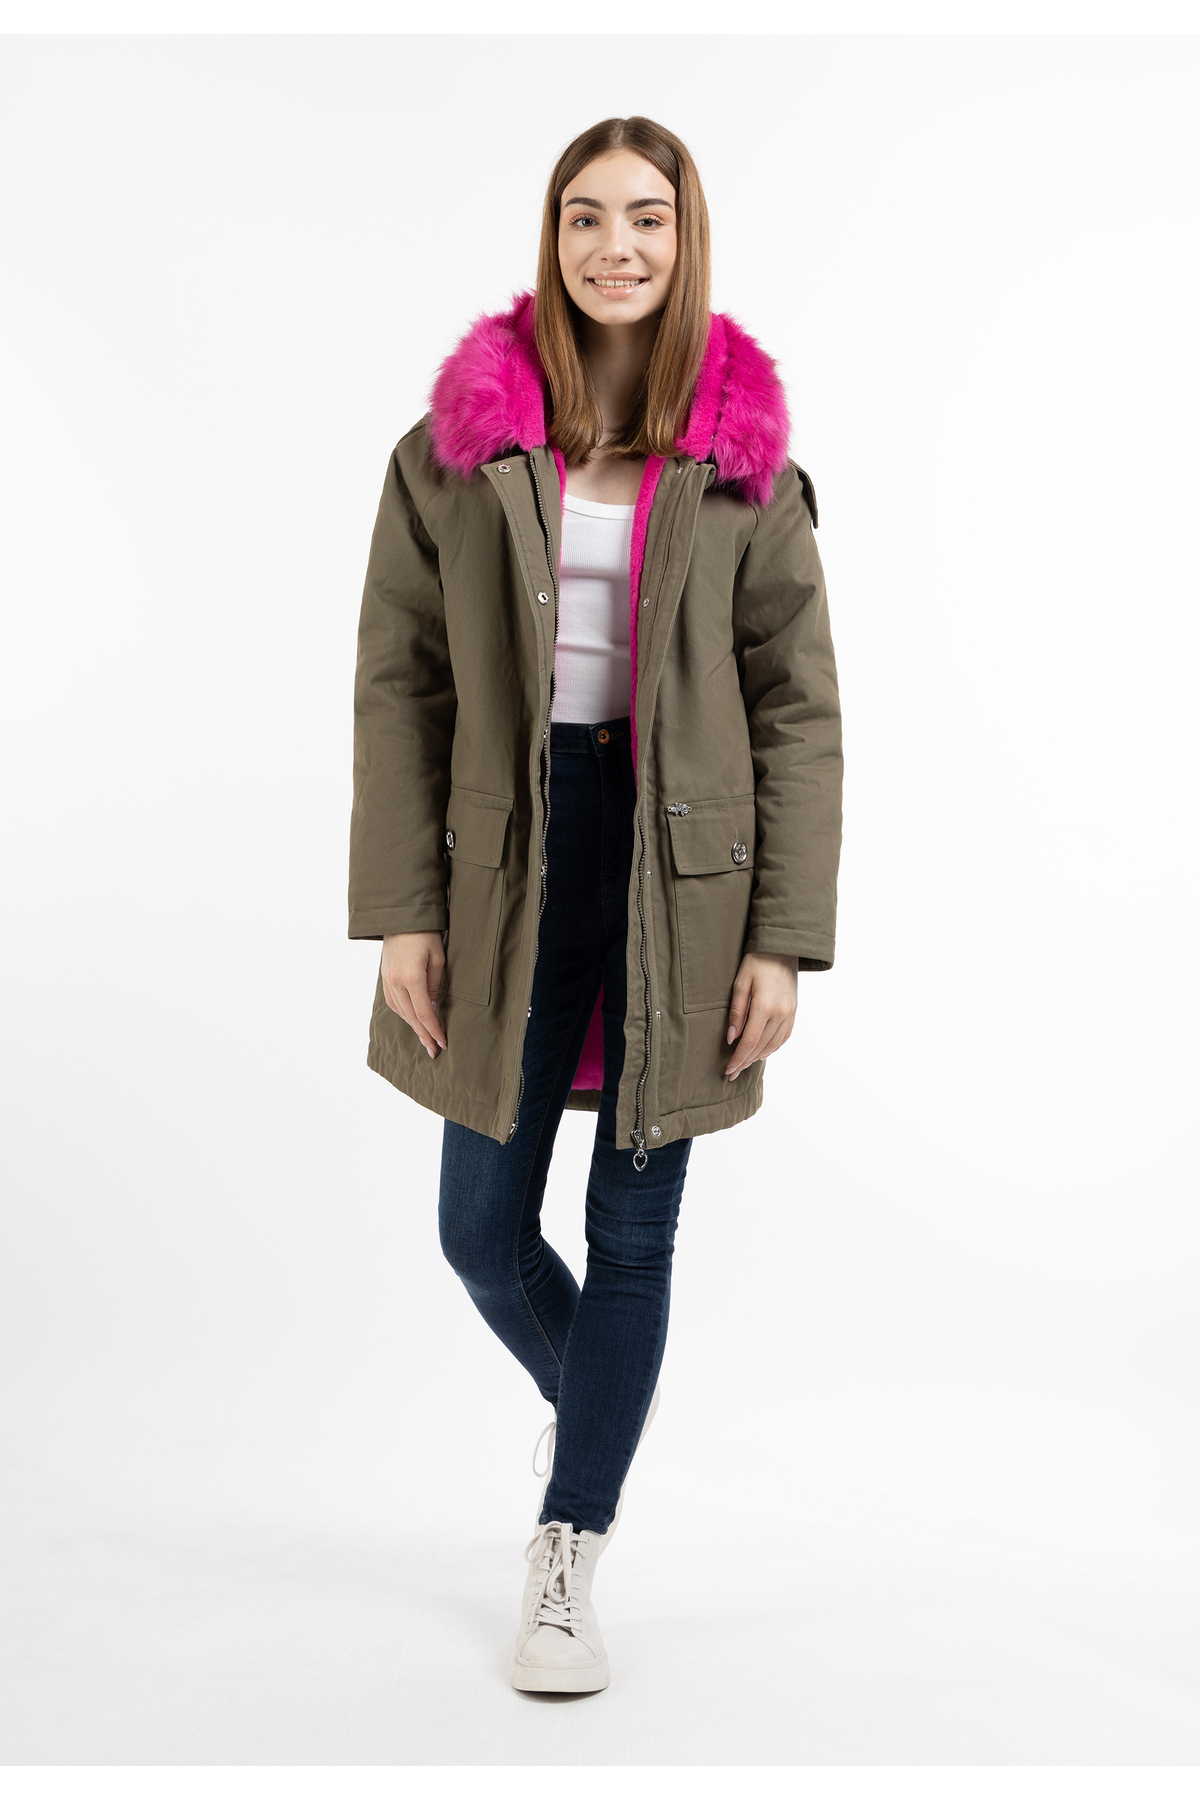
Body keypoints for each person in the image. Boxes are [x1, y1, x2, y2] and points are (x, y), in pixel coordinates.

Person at [348, 115, 842, 1694]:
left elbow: (797, 710)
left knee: (632, 1228)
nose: (615, 246)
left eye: (646, 217)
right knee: (478, 1232)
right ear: (551, 236)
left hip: (682, 865)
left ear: (685, 240)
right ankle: (604, 1419)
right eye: (584, 216)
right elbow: (400, 687)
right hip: (507, 852)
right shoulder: (453, 449)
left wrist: (781, 936)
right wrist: (405, 908)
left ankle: (569, 1546)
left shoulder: (744, 465)